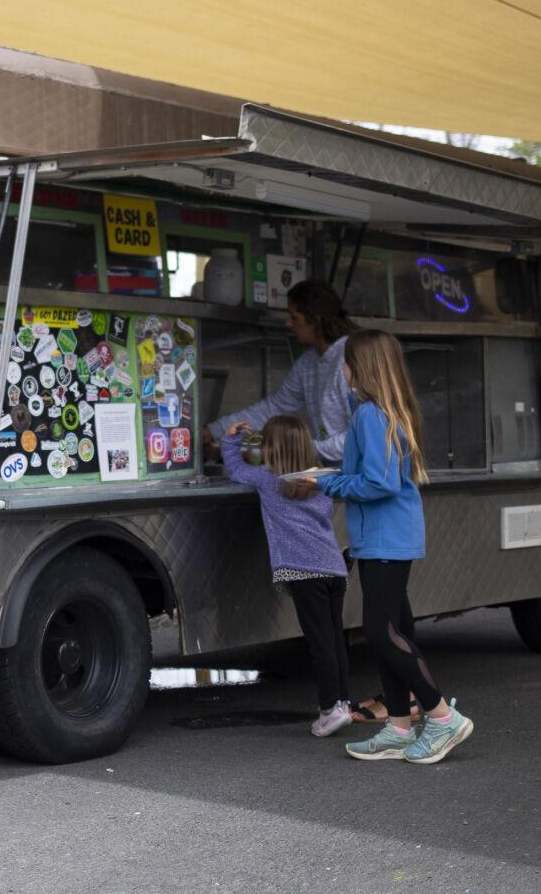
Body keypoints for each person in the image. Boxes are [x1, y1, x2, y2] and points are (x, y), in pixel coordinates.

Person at [313, 329, 474, 764]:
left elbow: (378, 483)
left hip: (384, 538)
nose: (341, 370)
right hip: (389, 538)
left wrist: (326, 481)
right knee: (394, 630)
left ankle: (442, 718)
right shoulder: (386, 409)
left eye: (345, 362)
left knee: (381, 633)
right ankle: (399, 726)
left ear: (358, 367)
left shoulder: (369, 414)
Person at [220, 414, 352, 737]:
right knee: (335, 639)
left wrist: (230, 439)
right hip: (335, 568)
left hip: (305, 572)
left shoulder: (268, 481)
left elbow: (235, 470)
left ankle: (328, 710)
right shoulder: (321, 483)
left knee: (319, 643)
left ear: (272, 450)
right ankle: (344, 703)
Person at [210, 280, 357, 464]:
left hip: (361, 480)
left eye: (294, 317)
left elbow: (361, 438)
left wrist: (299, 450)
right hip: (337, 477)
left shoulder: (350, 357)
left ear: (316, 320)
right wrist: (215, 430)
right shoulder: (308, 363)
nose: (288, 323)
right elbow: (274, 407)